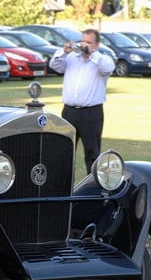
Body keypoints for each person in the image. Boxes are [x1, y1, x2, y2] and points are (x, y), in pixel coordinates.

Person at [49, 28, 116, 173]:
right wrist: (64, 51)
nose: (84, 45)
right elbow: (54, 66)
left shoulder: (101, 60)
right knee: (64, 151)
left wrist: (92, 54)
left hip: (91, 113)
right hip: (69, 112)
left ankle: (91, 188)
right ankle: (63, 188)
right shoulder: (72, 58)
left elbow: (108, 67)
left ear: (96, 45)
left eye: (88, 42)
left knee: (92, 153)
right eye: (82, 41)